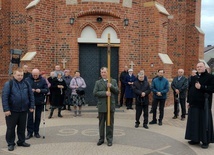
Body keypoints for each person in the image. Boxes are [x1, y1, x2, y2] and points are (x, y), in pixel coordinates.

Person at [2, 68, 35, 151]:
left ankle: (21, 141)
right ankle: (10, 143)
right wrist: (6, 109)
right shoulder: (9, 84)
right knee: (11, 128)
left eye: (21, 75)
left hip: (24, 110)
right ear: (14, 75)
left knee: (22, 127)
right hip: (12, 110)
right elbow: (4, 97)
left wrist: (31, 106)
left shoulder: (26, 83)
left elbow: (31, 95)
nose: (20, 77)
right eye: (18, 75)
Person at [185, 61, 214, 149]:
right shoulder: (194, 77)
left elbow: (212, 88)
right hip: (194, 104)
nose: (199, 68)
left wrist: (201, 87)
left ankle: (205, 141)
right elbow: (190, 90)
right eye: (197, 67)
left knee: (204, 122)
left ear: (204, 67)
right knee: (194, 122)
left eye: (200, 66)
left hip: (204, 105)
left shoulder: (210, 77)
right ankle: (195, 139)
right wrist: (189, 101)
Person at [93, 67, 119, 146]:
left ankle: (109, 139)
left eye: (104, 72)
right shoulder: (98, 82)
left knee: (110, 123)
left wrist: (111, 86)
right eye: (102, 72)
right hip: (102, 106)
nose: (103, 74)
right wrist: (105, 93)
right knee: (101, 124)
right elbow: (95, 93)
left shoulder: (113, 81)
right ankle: (101, 139)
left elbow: (117, 91)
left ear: (108, 72)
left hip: (110, 105)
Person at [25, 69, 49, 139]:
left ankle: (36, 132)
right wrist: (30, 90)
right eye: (33, 75)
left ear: (39, 74)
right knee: (30, 117)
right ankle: (29, 132)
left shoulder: (43, 80)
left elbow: (47, 90)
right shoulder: (27, 79)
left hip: (39, 100)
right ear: (31, 74)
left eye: (36, 75)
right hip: (30, 101)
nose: (35, 76)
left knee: (38, 117)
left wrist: (40, 90)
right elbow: (24, 89)